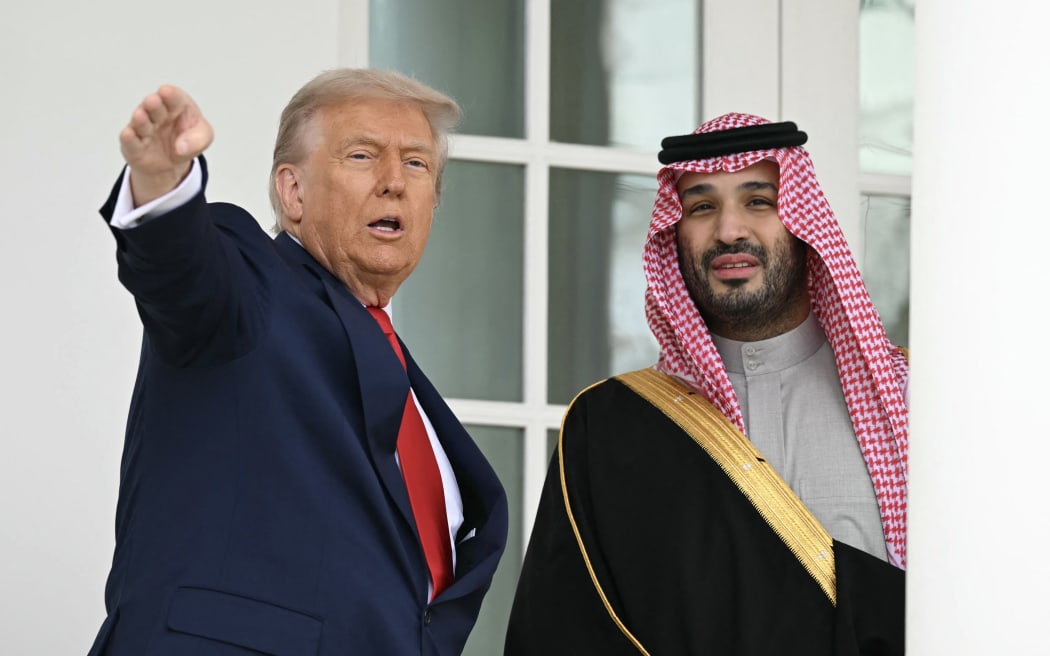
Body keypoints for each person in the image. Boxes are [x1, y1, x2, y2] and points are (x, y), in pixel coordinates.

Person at [87, 68, 508, 656]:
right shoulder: (251, 290)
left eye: (417, 164)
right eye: (362, 155)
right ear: (293, 192)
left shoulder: (405, 382)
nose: (394, 182)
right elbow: (183, 272)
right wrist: (163, 185)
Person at [504, 113, 907, 655]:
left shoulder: (912, 404)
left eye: (758, 201)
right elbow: (561, 632)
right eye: (702, 207)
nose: (729, 230)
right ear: (675, 233)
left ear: (804, 223)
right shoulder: (611, 427)